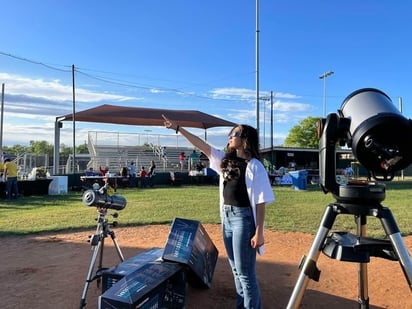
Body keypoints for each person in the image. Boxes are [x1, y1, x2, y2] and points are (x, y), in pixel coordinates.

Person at [163, 115, 275, 309]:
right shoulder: (225, 160)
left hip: (243, 219)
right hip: (227, 217)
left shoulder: (255, 166)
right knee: (235, 269)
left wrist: (259, 231)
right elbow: (202, 145)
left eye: (235, 133)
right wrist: (178, 128)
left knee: (245, 273)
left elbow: (260, 201)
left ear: (245, 139)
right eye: (231, 133)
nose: (231, 136)